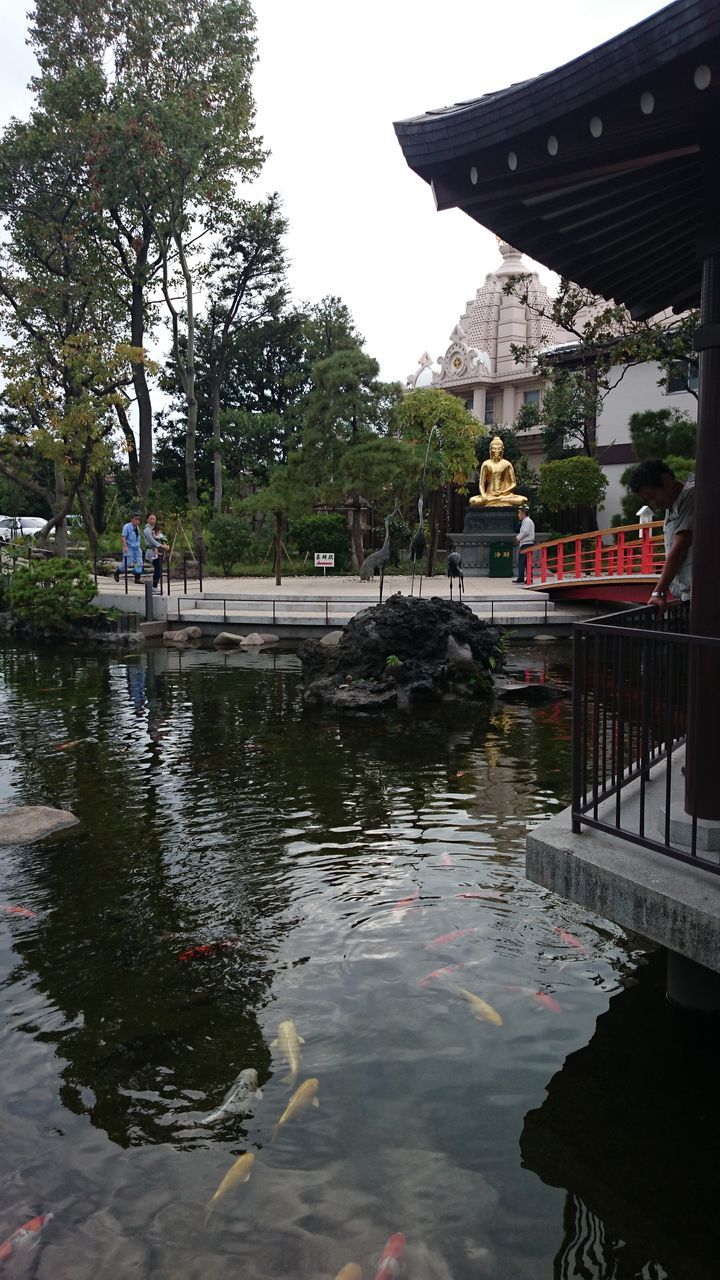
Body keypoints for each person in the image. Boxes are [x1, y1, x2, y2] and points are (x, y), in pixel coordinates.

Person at [628, 459, 694, 610]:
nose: (653, 503)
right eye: (647, 500)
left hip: (704, 596)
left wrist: (658, 593)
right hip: (688, 595)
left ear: (666, 480)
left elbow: (679, 548)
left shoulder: (691, 496)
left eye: (652, 495)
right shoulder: (671, 506)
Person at [470, 436, 529, 507]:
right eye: (494, 449)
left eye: (499, 449)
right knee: (473, 501)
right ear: (490, 450)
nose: (497, 451)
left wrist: (503, 492)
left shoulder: (507, 464)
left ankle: (495, 502)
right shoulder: (486, 464)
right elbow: (481, 484)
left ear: (502, 450)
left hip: (505, 496)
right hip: (489, 495)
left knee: (523, 500)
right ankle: (494, 502)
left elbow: (513, 484)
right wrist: (483, 495)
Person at [114, 512, 143, 583]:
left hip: (136, 548)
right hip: (129, 548)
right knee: (127, 563)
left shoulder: (137, 528)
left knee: (138, 562)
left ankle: (137, 578)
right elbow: (123, 537)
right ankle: (117, 572)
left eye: (138, 520)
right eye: (136, 519)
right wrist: (125, 546)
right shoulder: (127, 526)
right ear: (132, 519)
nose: (137, 521)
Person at [144, 513, 166, 591]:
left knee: (158, 568)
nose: (152, 520)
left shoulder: (155, 528)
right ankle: (154, 587)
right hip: (152, 552)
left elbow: (162, 537)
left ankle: (155, 586)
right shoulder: (147, 529)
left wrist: (165, 545)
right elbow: (152, 541)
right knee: (158, 568)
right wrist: (161, 546)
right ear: (147, 519)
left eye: (154, 519)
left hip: (158, 551)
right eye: (151, 519)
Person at [515, 505, 535, 583]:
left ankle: (526, 578)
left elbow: (525, 532)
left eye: (519, 514)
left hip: (526, 543)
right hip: (526, 543)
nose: (518, 515)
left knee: (524, 561)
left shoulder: (527, 521)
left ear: (523, 514)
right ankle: (522, 577)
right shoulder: (526, 521)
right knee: (525, 562)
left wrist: (518, 538)